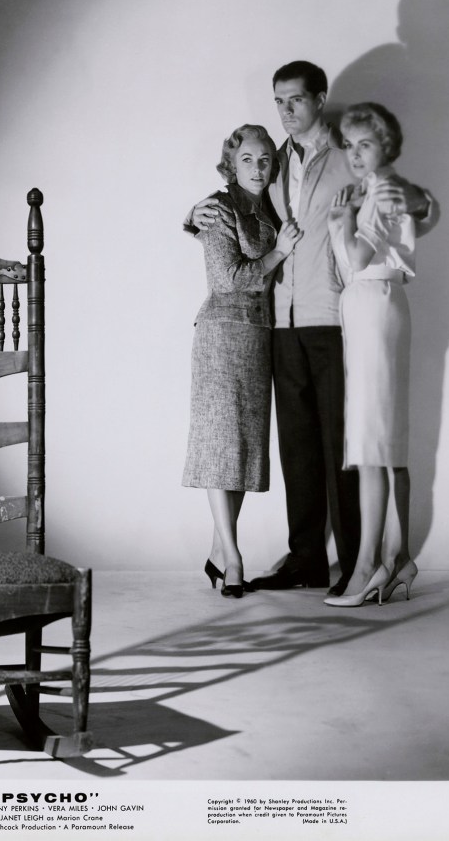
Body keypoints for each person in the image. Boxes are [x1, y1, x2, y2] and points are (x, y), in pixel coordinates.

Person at [185, 61, 437, 595]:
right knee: (296, 445)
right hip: (280, 318)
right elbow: (240, 204)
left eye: (296, 99)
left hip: (334, 315)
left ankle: (355, 561)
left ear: (320, 99)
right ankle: (306, 560)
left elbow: (409, 200)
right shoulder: (273, 162)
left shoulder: (349, 155)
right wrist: (194, 214)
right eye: (278, 101)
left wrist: (420, 204)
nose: (286, 111)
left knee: (342, 441)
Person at [182, 124, 302, 598]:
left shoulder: (269, 208)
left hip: (260, 339)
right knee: (221, 445)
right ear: (231, 164)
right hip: (221, 335)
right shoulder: (217, 207)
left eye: (266, 159)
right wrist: (277, 253)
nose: (257, 168)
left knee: (245, 450)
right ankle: (232, 557)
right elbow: (229, 279)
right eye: (248, 159)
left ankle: (217, 549)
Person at [324, 103, 419, 607]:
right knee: (384, 441)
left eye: (365, 143)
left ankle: (367, 569)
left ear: (386, 145)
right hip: (373, 304)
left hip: (375, 303)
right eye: (349, 144)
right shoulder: (377, 190)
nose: (355, 153)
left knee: (371, 444)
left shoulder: (381, 190)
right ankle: (398, 559)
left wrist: (340, 219)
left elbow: (359, 258)